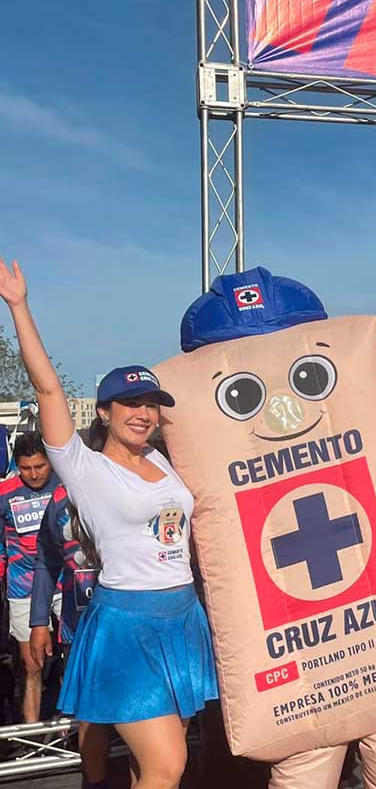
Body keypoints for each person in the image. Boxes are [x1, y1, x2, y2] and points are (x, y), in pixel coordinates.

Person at [0, 258, 218, 789]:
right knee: (168, 766)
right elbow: (49, 389)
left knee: (154, 764)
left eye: (150, 404)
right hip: (127, 627)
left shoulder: (165, 461)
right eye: (129, 403)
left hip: (182, 620)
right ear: (103, 411)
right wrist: (19, 306)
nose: (142, 413)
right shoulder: (84, 468)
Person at [30, 485, 111, 788]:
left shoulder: (142, 483)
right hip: (81, 629)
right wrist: (39, 622)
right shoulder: (61, 498)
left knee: (145, 721)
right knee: (91, 717)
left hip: (137, 624)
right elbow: (46, 560)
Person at [0, 433, 62, 723]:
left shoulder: (66, 485)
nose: (34, 474)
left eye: (40, 466)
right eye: (26, 468)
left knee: (74, 659)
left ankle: (76, 729)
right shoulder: (5, 492)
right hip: (23, 588)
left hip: (66, 584)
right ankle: (33, 739)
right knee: (32, 664)